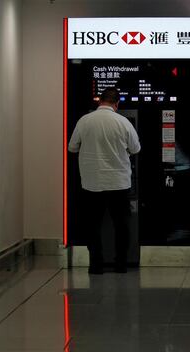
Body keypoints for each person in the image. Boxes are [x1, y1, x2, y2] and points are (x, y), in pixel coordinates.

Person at [68, 88, 140, 274]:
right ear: (117, 104)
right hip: (119, 182)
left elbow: (72, 147)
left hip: (92, 183)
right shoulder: (123, 122)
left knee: (93, 225)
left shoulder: (84, 121)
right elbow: (136, 148)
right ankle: (121, 264)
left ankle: (96, 265)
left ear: (99, 101)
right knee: (121, 225)